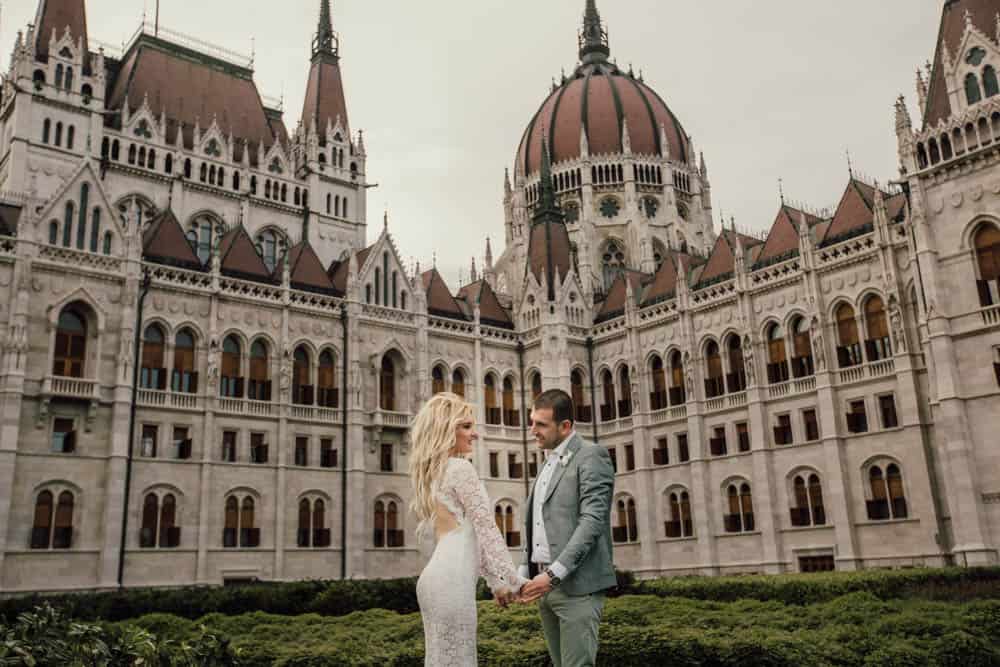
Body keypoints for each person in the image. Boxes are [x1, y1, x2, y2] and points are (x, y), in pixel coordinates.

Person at [411, 392, 528, 666]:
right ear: (445, 429)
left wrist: (496, 583)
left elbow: (470, 536)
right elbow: (486, 528)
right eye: (466, 426)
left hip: (434, 581)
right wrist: (513, 581)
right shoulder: (461, 468)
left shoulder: (433, 473)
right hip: (451, 583)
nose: (473, 434)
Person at [518, 389, 617, 667]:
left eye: (540, 424)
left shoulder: (591, 455)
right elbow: (536, 521)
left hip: (578, 588)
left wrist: (553, 574)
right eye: (531, 421)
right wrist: (521, 575)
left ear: (565, 426)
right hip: (544, 588)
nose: (532, 430)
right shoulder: (548, 460)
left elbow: (592, 522)